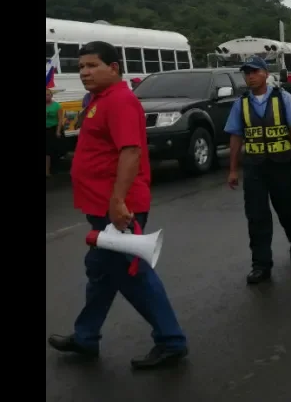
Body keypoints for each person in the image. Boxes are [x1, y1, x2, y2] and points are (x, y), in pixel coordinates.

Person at [48, 41, 188, 369]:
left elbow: (131, 151)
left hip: (118, 207)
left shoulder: (121, 101)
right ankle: (85, 337)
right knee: (101, 272)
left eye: (92, 65)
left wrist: (117, 201)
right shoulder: (99, 100)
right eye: (81, 66)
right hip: (101, 204)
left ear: (114, 68)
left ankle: (171, 341)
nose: (84, 72)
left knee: (132, 273)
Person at [225, 56, 291, 284]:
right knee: (256, 216)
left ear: (265, 73)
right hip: (254, 168)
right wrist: (233, 169)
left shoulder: (282, 99)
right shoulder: (241, 103)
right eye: (247, 73)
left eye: (254, 71)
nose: (250, 76)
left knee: (288, 210)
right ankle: (260, 265)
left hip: (280, 165)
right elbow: (235, 137)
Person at [46, 88, 64, 177]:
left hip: (53, 129)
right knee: (47, 151)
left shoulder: (57, 106)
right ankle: (47, 171)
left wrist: (58, 131)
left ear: (51, 96)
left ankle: (52, 169)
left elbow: (60, 120)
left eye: (48, 95)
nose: (46, 97)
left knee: (53, 150)